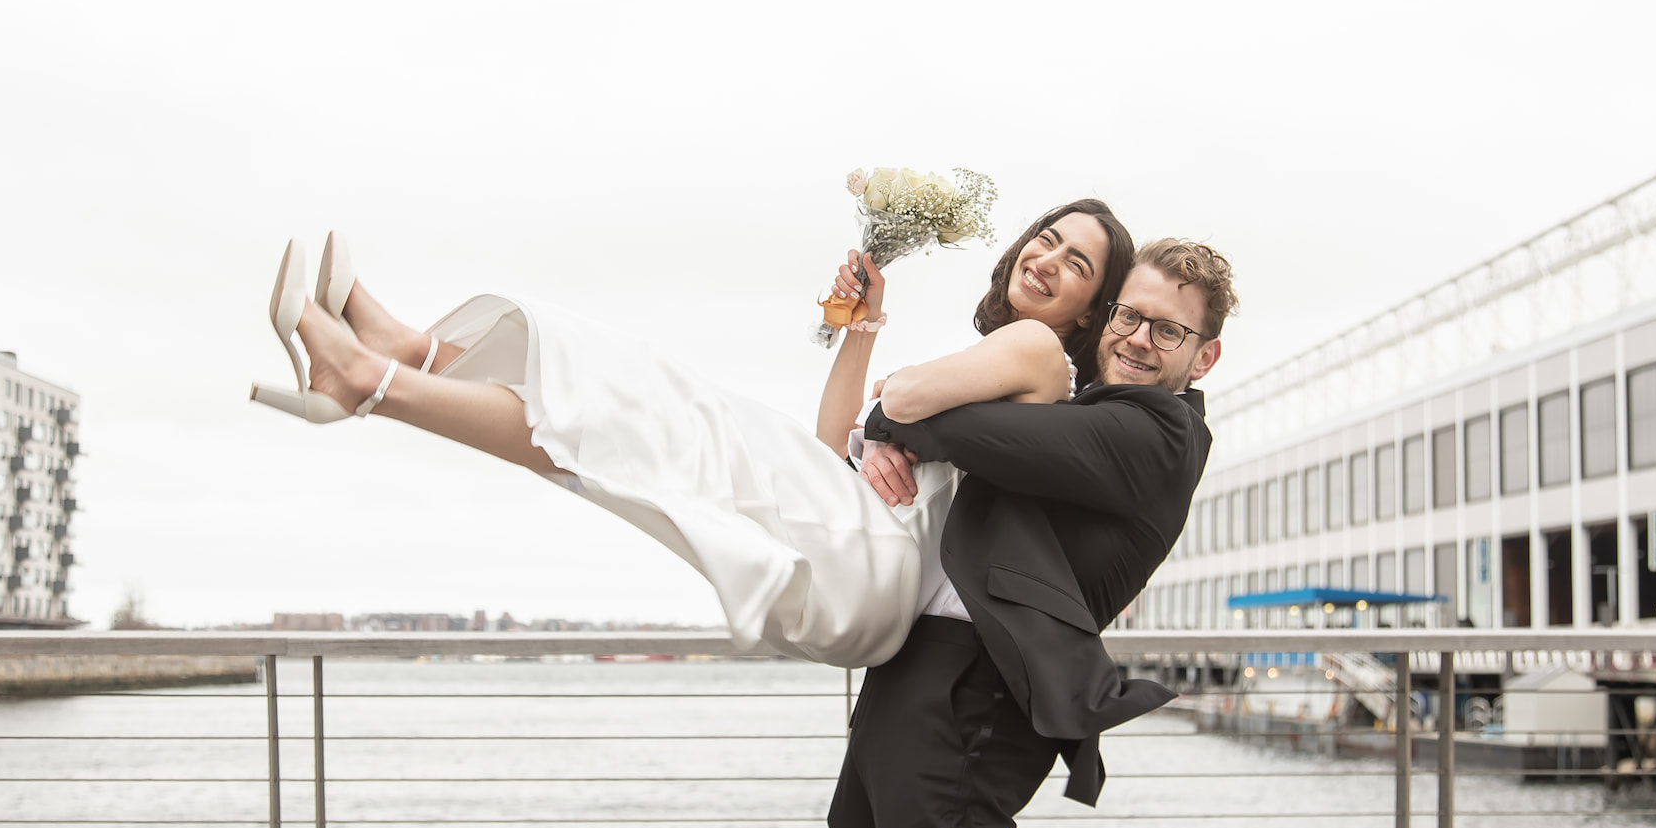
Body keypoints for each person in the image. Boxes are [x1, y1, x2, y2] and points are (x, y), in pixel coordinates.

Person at [247, 201, 1130, 669]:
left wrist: (901, 421)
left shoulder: (1040, 353)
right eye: (1045, 240)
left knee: (660, 414)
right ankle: (402, 367)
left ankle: (385, 373)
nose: (1047, 260)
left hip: (876, 561)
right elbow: (837, 449)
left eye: (1076, 263)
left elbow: (899, 399)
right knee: (633, 436)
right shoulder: (1003, 361)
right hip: (863, 561)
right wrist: (864, 330)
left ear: (1093, 308)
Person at [828, 238, 1233, 828]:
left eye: (1168, 331)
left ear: (1204, 356)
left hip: (976, 702)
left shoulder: (1159, 436)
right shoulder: (1089, 401)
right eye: (1129, 316)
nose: (1139, 340)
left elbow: (978, 437)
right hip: (921, 680)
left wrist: (893, 412)